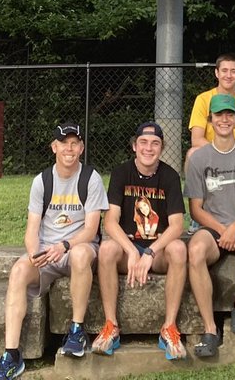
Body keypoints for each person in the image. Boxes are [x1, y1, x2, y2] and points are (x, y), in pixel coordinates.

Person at [0, 121, 106, 380]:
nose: (69, 148)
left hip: (77, 247)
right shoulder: (42, 181)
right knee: (19, 270)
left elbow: (91, 229)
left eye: (75, 143)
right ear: (54, 147)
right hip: (47, 251)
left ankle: (76, 331)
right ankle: (11, 355)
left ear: (82, 147)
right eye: (64, 143)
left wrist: (65, 245)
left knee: (79, 254)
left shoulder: (91, 178)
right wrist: (33, 253)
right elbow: (32, 228)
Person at [93, 121, 188, 361]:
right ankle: (111, 325)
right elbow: (110, 221)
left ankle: (169, 327)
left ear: (162, 147)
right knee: (106, 250)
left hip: (157, 251)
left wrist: (150, 252)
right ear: (134, 146)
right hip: (129, 249)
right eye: (143, 143)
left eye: (155, 143)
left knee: (178, 249)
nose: (149, 148)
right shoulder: (121, 172)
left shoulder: (170, 176)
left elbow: (177, 225)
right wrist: (132, 251)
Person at [185, 94, 235, 358]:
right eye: (218, 115)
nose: (224, 120)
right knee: (195, 250)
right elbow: (195, 208)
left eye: (229, 115)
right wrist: (222, 231)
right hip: (213, 227)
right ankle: (210, 329)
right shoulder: (199, 158)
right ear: (210, 120)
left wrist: (233, 230)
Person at [188, 54, 235, 160]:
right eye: (224, 70)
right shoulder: (203, 99)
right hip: (209, 155)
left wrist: (230, 157)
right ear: (217, 73)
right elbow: (197, 140)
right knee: (192, 153)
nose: (229, 75)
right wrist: (221, 154)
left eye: (233, 71)